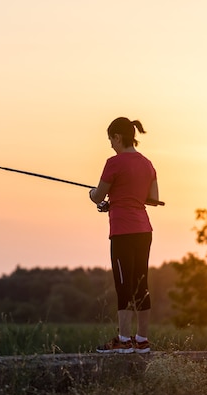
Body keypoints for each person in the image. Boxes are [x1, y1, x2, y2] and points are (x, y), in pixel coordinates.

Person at [88, 117, 159, 354]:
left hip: (122, 232)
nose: (110, 145)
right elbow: (153, 198)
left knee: (123, 285)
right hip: (144, 230)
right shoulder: (148, 164)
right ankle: (142, 340)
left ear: (117, 137)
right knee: (141, 283)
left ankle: (123, 340)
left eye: (110, 139)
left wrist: (93, 194)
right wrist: (119, 200)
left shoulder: (113, 163)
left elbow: (98, 196)